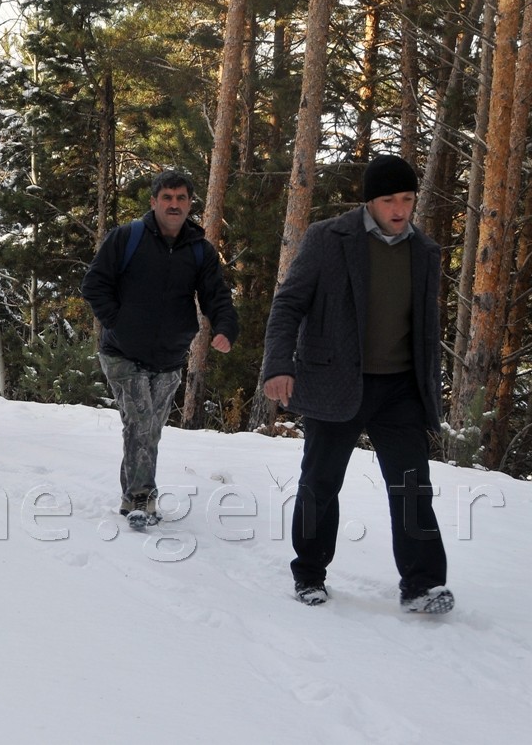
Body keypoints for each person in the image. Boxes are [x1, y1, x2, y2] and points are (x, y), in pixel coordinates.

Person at [262, 154, 452, 614]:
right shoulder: (328, 238)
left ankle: (422, 585)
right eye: (390, 199)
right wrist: (278, 365)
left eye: (407, 199)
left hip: (400, 389)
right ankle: (309, 573)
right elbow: (289, 304)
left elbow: (425, 327)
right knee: (320, 483)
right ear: (370, 200)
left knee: (412, 485)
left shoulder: (424, 251)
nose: (400, 208)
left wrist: (430, 385)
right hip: (334, 382)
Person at [81, 170, 239, 527]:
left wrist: (226, 328)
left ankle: (129, 495)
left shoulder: (199, 250)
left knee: (149, 429)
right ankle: (141, 499)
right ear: (153, 202)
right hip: (122, 352)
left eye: (181, 198)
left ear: (189, 204)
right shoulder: (127, 238)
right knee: (139, 422)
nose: (174, 204)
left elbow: (216, 296)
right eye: (167, 197)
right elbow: (94, 285)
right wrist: (119, 322)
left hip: (169, 356)